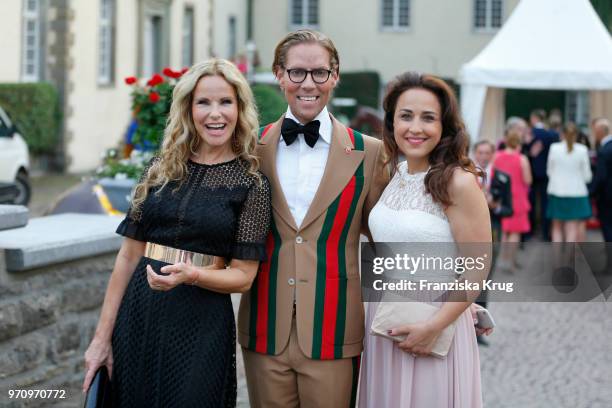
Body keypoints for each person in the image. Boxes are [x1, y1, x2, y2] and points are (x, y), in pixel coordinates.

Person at [82, 58, 272, 407]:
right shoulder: (159, 170)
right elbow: (127, 257)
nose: (216, 114)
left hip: (201, 322)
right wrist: (101, 339)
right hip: (139, 313)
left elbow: (244, 277)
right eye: (204, 102)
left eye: (225, 102)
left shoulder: (251, 183)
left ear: (240, 108)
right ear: (188, 109)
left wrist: (193, 275)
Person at [237, 29, 386, 408]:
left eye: (320, 72)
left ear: (335, 76)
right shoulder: (250, 149)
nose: (309, 83)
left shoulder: (370, 153)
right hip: (264, 329)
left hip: (335, 329)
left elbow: (392, 239)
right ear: (279, 74)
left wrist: (455, 300)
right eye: (297, 72)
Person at [360, 72, 492, 407]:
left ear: (445, 126)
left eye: (428, 118)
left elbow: (477, 268)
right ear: (391, 123)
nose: (415, 128)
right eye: (405, 116)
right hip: (383, 316)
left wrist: (437, 323)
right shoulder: (396, 174)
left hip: (432, 321)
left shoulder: (458, 182)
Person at [492, 129, 532, 273]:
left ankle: (501, 259)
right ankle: (510, 262)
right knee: (515, 232)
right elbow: (528, 180)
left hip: (502, 198)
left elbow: (493, 175)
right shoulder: (522, 159)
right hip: (518, 198)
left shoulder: (496, 156)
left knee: (504, 230)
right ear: (519, 143)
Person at [546, 123, 592, 242]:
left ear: (562, 134)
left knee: (556, 228)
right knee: (572, 229)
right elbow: (587, 176)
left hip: (557, 191)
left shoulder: (554, 148)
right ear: (576, 135)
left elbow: (549, 171)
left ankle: (558, 260)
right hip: (577, 192)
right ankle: (568, 260)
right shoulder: (582, 149)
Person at [526, 109, 559, 240]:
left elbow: (526, 151)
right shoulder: (549, 134)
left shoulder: (530, 133)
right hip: (546, 172)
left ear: (534, 118)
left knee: (531, 201)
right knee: (546, 202)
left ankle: (531, 230)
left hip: (532, 172)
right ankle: (545, 233)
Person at [590, 118, 612, 243]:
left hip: (607, 197)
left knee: (608, 228)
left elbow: (601, 177)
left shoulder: (604, 151)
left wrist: (591, 192)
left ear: (599, 132)